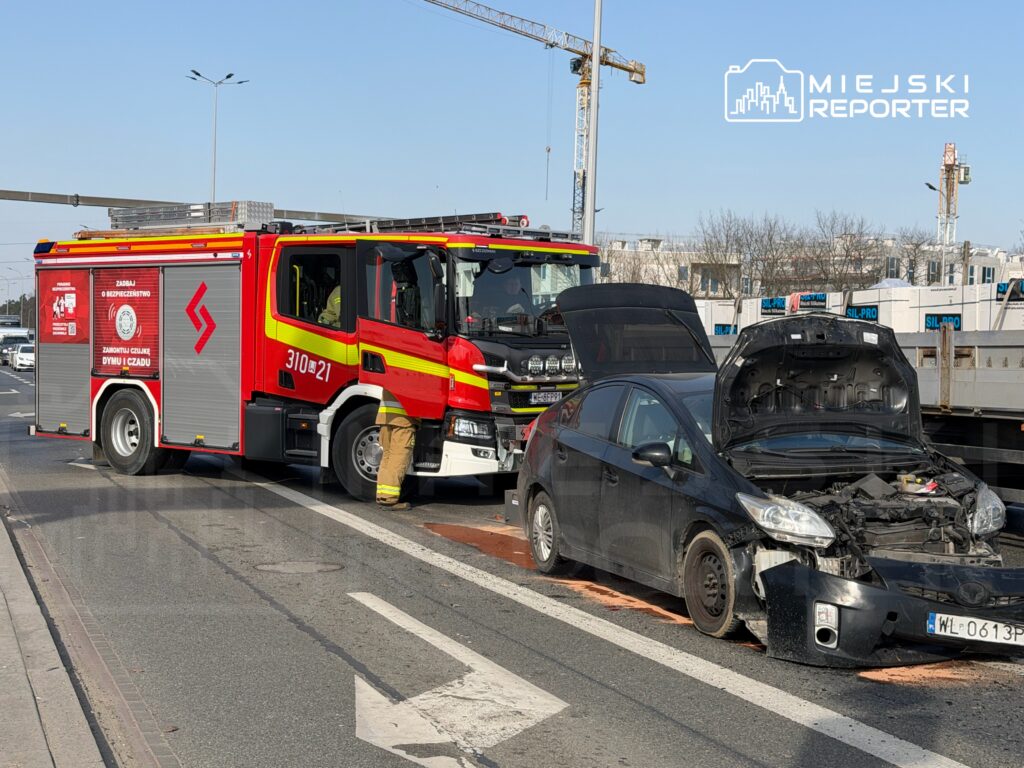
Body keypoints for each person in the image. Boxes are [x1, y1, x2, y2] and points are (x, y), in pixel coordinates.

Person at [375, 392, 419, 510]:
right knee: (398, 459)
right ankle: (389, 499)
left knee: (387, 457)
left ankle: (382, 496)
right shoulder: (410, 372)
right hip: (404, 419)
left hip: (385, 417)